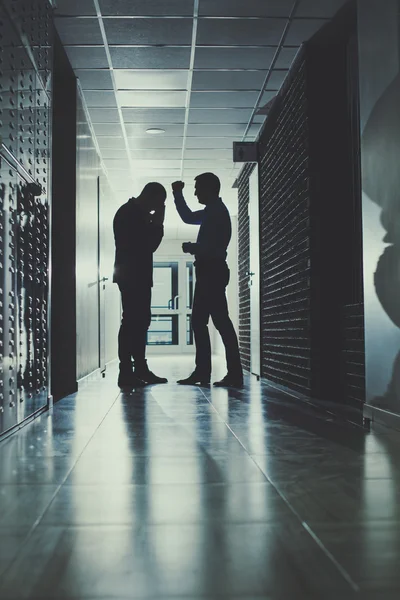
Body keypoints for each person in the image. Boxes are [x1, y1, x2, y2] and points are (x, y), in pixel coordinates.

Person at [172, 173, 243, 388]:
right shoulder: (214, 211)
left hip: (211, 272)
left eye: (198, 188)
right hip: (211, 272)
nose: (195, 193)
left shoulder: (217, 213)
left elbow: (213, 247)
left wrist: (193, 247)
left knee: (218, 322)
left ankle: (220, 373)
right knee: (209, 322)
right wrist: (178, 194)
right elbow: (188, 217)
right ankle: (210, 373)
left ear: (210, 189)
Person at [113, 182, 168, 389]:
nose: (157, 208)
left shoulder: (132, 213)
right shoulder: (131, 214)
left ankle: (138, 369)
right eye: (158, 203)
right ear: (150, 197)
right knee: (131, 323)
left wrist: (152, 221)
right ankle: (127, 372)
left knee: (139, 321)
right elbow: (149, 246)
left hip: (135, 275)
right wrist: (158, 223)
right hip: (133, 275)